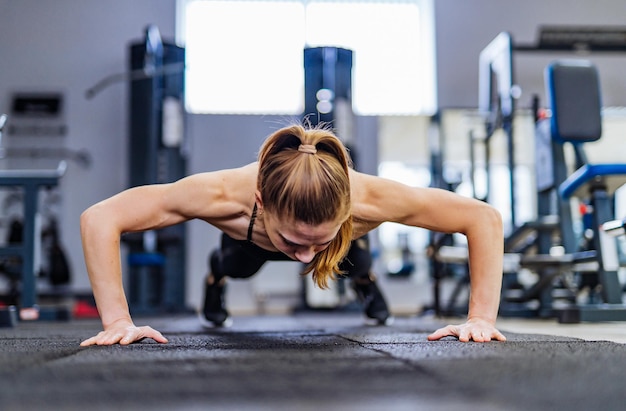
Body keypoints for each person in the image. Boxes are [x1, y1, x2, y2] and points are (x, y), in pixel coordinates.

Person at [79, 123, 507, 346]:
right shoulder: (222, 195)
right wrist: (117, 321)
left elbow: (482, 219)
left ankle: (358, 270)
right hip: (248, 240)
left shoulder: (374, 199)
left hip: (344, 237)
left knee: (350, 259)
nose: (304, 260)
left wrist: (481, 319)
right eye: (293, 242)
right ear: (261, 202)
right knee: (236, 266)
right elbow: (100, 218)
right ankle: (216, 280)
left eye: (315, 241)